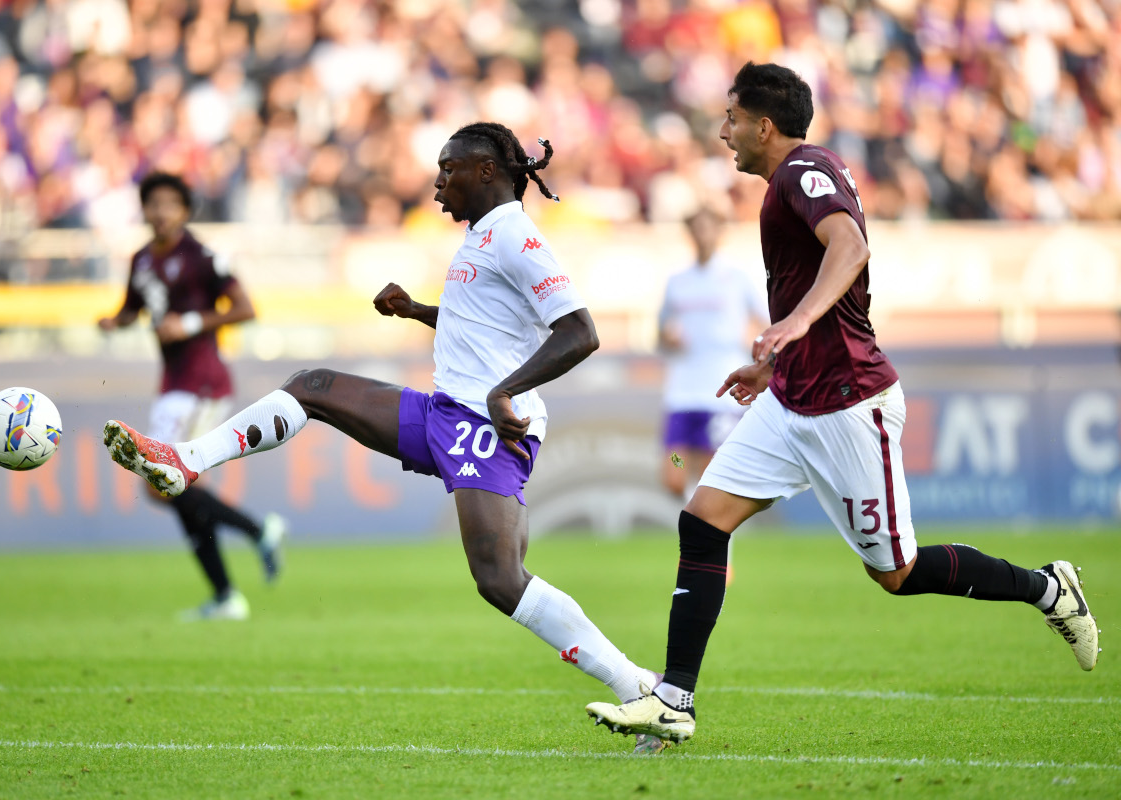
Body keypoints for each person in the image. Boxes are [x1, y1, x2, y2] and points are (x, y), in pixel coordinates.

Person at [585, 62, 1100, 749]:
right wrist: (773, 359)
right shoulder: (789, 181)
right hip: (791, 399)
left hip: (851, 403)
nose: (723, 131)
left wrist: (794, 324)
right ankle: (675, 698)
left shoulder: (803, 171)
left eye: (732, 118)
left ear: (764, 125)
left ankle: (1047, 588)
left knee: (897, 572)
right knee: (703, 521)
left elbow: (851, 246)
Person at [101, 123, 660, 720]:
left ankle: (640, 687)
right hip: (448, 411)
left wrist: (506, 392)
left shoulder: (516, 237)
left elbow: (580, 333)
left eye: (450, 169)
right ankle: (184, 459)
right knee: (313, 387)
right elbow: (489, 326)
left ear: (488, 172)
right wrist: (416, 311)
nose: (438, 182)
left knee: (500, 580)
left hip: (483, 425)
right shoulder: (483, 235)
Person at [99, 171, 287, 622]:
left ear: (184, 212)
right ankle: (228, 591)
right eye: (153, 203)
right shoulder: (141, 259)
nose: (160, 212)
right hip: (173, 384)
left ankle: (256, 534)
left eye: (170, 204)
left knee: (165, 481)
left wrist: (186, 325)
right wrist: (114, 322)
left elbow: (245, 308)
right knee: (169, 485)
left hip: (202, 383)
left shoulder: (202, 256)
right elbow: (131, 310)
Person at [657, 208, 767, 502]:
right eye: (696, 228)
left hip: (719, 391)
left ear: (720, 231)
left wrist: (755, 352)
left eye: (708, 227)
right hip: (681, 391)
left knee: (711, 478)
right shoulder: (677, 281)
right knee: (675, 472)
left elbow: (768, 322)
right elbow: (659, 334)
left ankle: (709, 540)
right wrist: (667, 339)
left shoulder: (736, 277)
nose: (702, 233)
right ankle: (697, 523)